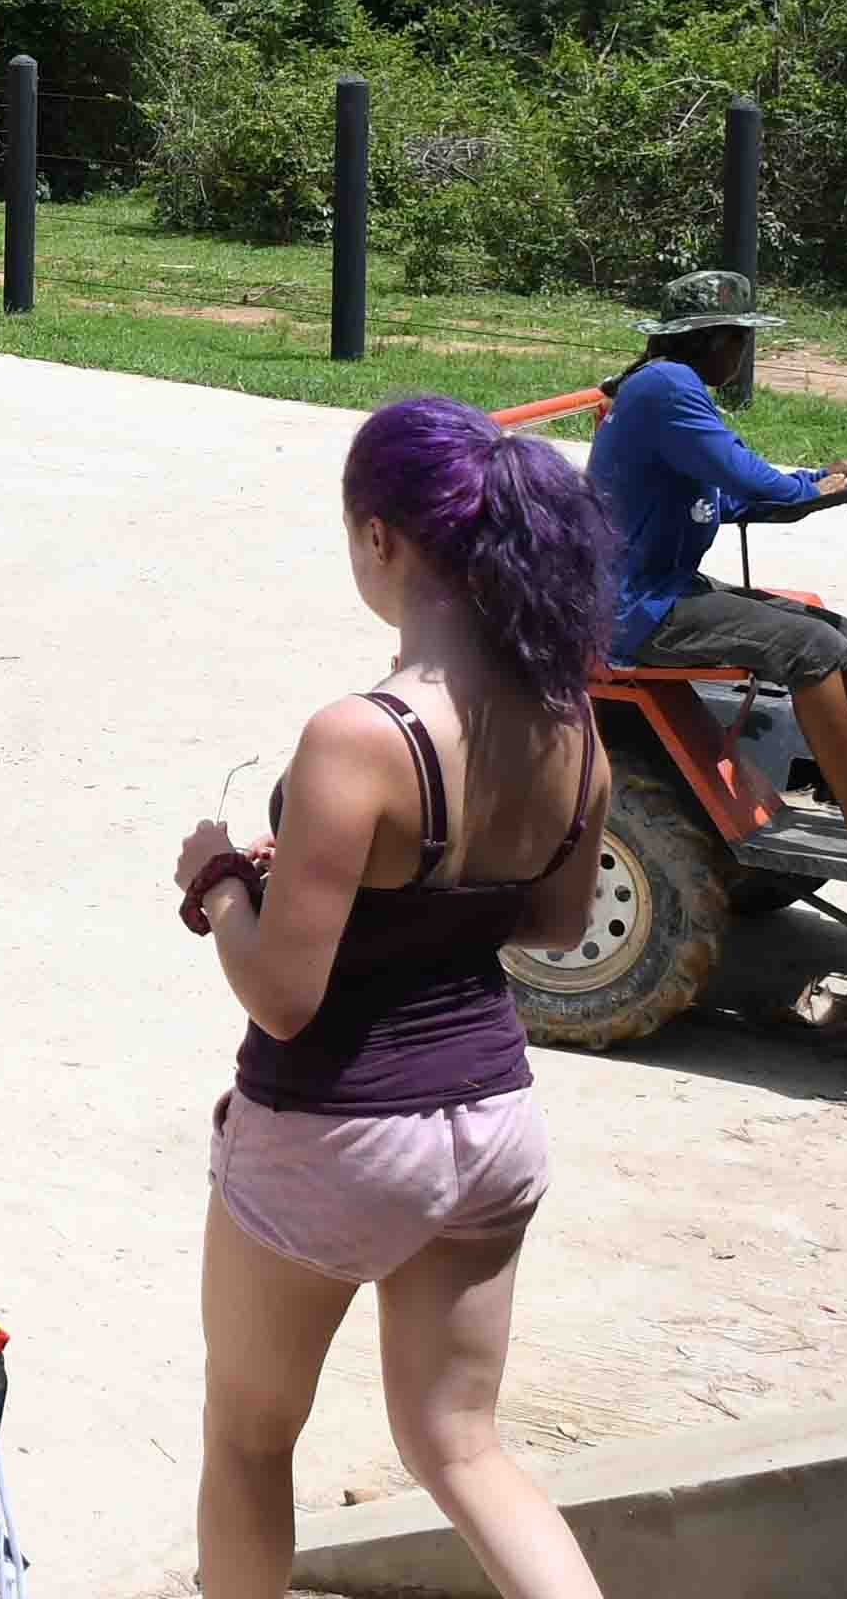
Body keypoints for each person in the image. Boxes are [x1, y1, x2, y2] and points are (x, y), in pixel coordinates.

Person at [174, 396, 614, 1599]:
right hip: (494, 1120)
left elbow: (282, 996)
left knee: (248, 1437)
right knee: (461, 1443)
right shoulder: (572, 717)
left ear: (382, 537)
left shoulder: (357, 736)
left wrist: (221, 883)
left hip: (337, 1131)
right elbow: (551, 922)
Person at [587, 269, 847, 862]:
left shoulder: (665, 386)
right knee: (810, 646)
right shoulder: (667, 387)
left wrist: (826, 479)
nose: (744, 353)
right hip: (638, 608)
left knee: (842, 636)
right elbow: (749, 477)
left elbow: (733, 496)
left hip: (663, 588)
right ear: (715, 339)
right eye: (743, 338)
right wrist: (810, 487)